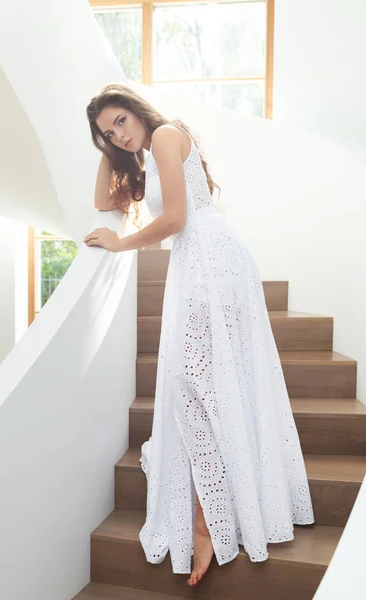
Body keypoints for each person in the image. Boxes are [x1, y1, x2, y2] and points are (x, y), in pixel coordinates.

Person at [84, 82, 315, 587]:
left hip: (211, 259)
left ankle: (207, 521)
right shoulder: (145, 156)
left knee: (198, 383)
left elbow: (175, 218)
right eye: (107, 132)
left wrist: (122, 244)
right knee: (199, 385)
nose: (118, 135)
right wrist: (109, 150)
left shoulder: (166, 133)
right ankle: (208, 513)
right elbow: (104, 197)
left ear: (138, 112)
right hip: (197, 262)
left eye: (120, 121)